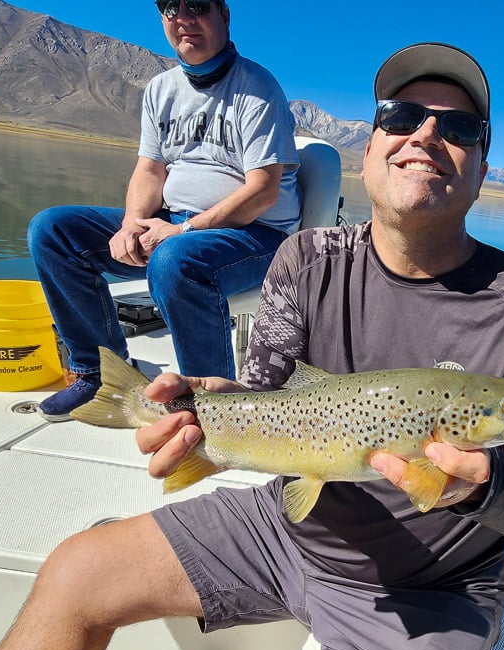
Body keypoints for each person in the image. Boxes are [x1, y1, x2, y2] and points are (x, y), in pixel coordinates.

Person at [0, 42, 504, 650]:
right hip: (281, 529)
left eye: (460, 127)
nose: (427, 135)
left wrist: (484, 486)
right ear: (371, 150)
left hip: (430, 591)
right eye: (402, 117)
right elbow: (266, 395)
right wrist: (207, 419)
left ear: (483, 168)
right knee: (75, 570)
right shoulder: (305, 260)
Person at [28, 0, 301, 421]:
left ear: (224, 15)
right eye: (171, 6)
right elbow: (150, 170)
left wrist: (182, 231)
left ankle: (211, 409)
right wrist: (131, 224)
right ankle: (100, 374)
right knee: (53, 231)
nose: (184, 18)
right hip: (176, 222)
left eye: (197, 5)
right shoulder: (161, 89)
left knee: (175, 260)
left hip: (260, 236)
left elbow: (263, 192)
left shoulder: (257, 87)